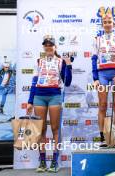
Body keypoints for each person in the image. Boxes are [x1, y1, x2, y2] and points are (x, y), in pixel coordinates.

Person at [26, 35, 72, 173]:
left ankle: (54, 162)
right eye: (46, 45)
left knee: (55, 129)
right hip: (39, 96)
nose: (48, 47)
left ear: (55, 46)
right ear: (43, 47)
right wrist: (29, 101)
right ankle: (42, 162)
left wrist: (69, 65)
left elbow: (67, 82)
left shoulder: (60, 61)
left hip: (54, 96)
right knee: (41, 130)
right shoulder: (39, 61)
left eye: (50, 44)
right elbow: (34, 82)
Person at [91, 13, 115, 147]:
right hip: (102, 75)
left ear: (113, 24)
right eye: (105, 22)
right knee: (102, 106)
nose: (107, 24)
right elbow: (94, 59)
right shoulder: (97, 40)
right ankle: (102, 138)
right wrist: (95, 78)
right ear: (102, 24)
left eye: (110, 22)